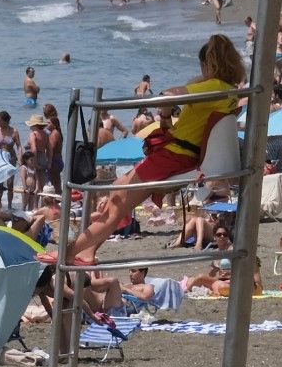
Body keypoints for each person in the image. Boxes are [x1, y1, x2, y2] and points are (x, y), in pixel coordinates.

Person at [65, 35, 246, 268]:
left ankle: (68, 254)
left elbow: (167, 95)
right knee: (117, 194)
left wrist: (164, 116)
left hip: (174, 156)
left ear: (207, 65)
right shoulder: (228, 90)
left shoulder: (213, 87)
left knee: (117, 201)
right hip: (180, 155)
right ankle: (87, 251)